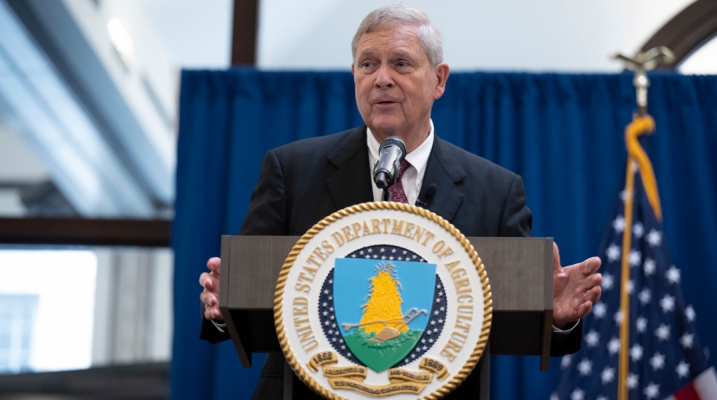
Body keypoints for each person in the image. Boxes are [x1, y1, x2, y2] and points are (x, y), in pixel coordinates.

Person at [198, 3, 602, 398]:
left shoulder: (495, 190)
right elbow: (245, 295)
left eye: (401, 63)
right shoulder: (292, 170)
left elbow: (523, 317)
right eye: (368, 64)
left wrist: (553, 316)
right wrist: (222, 305)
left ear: (439, 79)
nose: (382, 78)